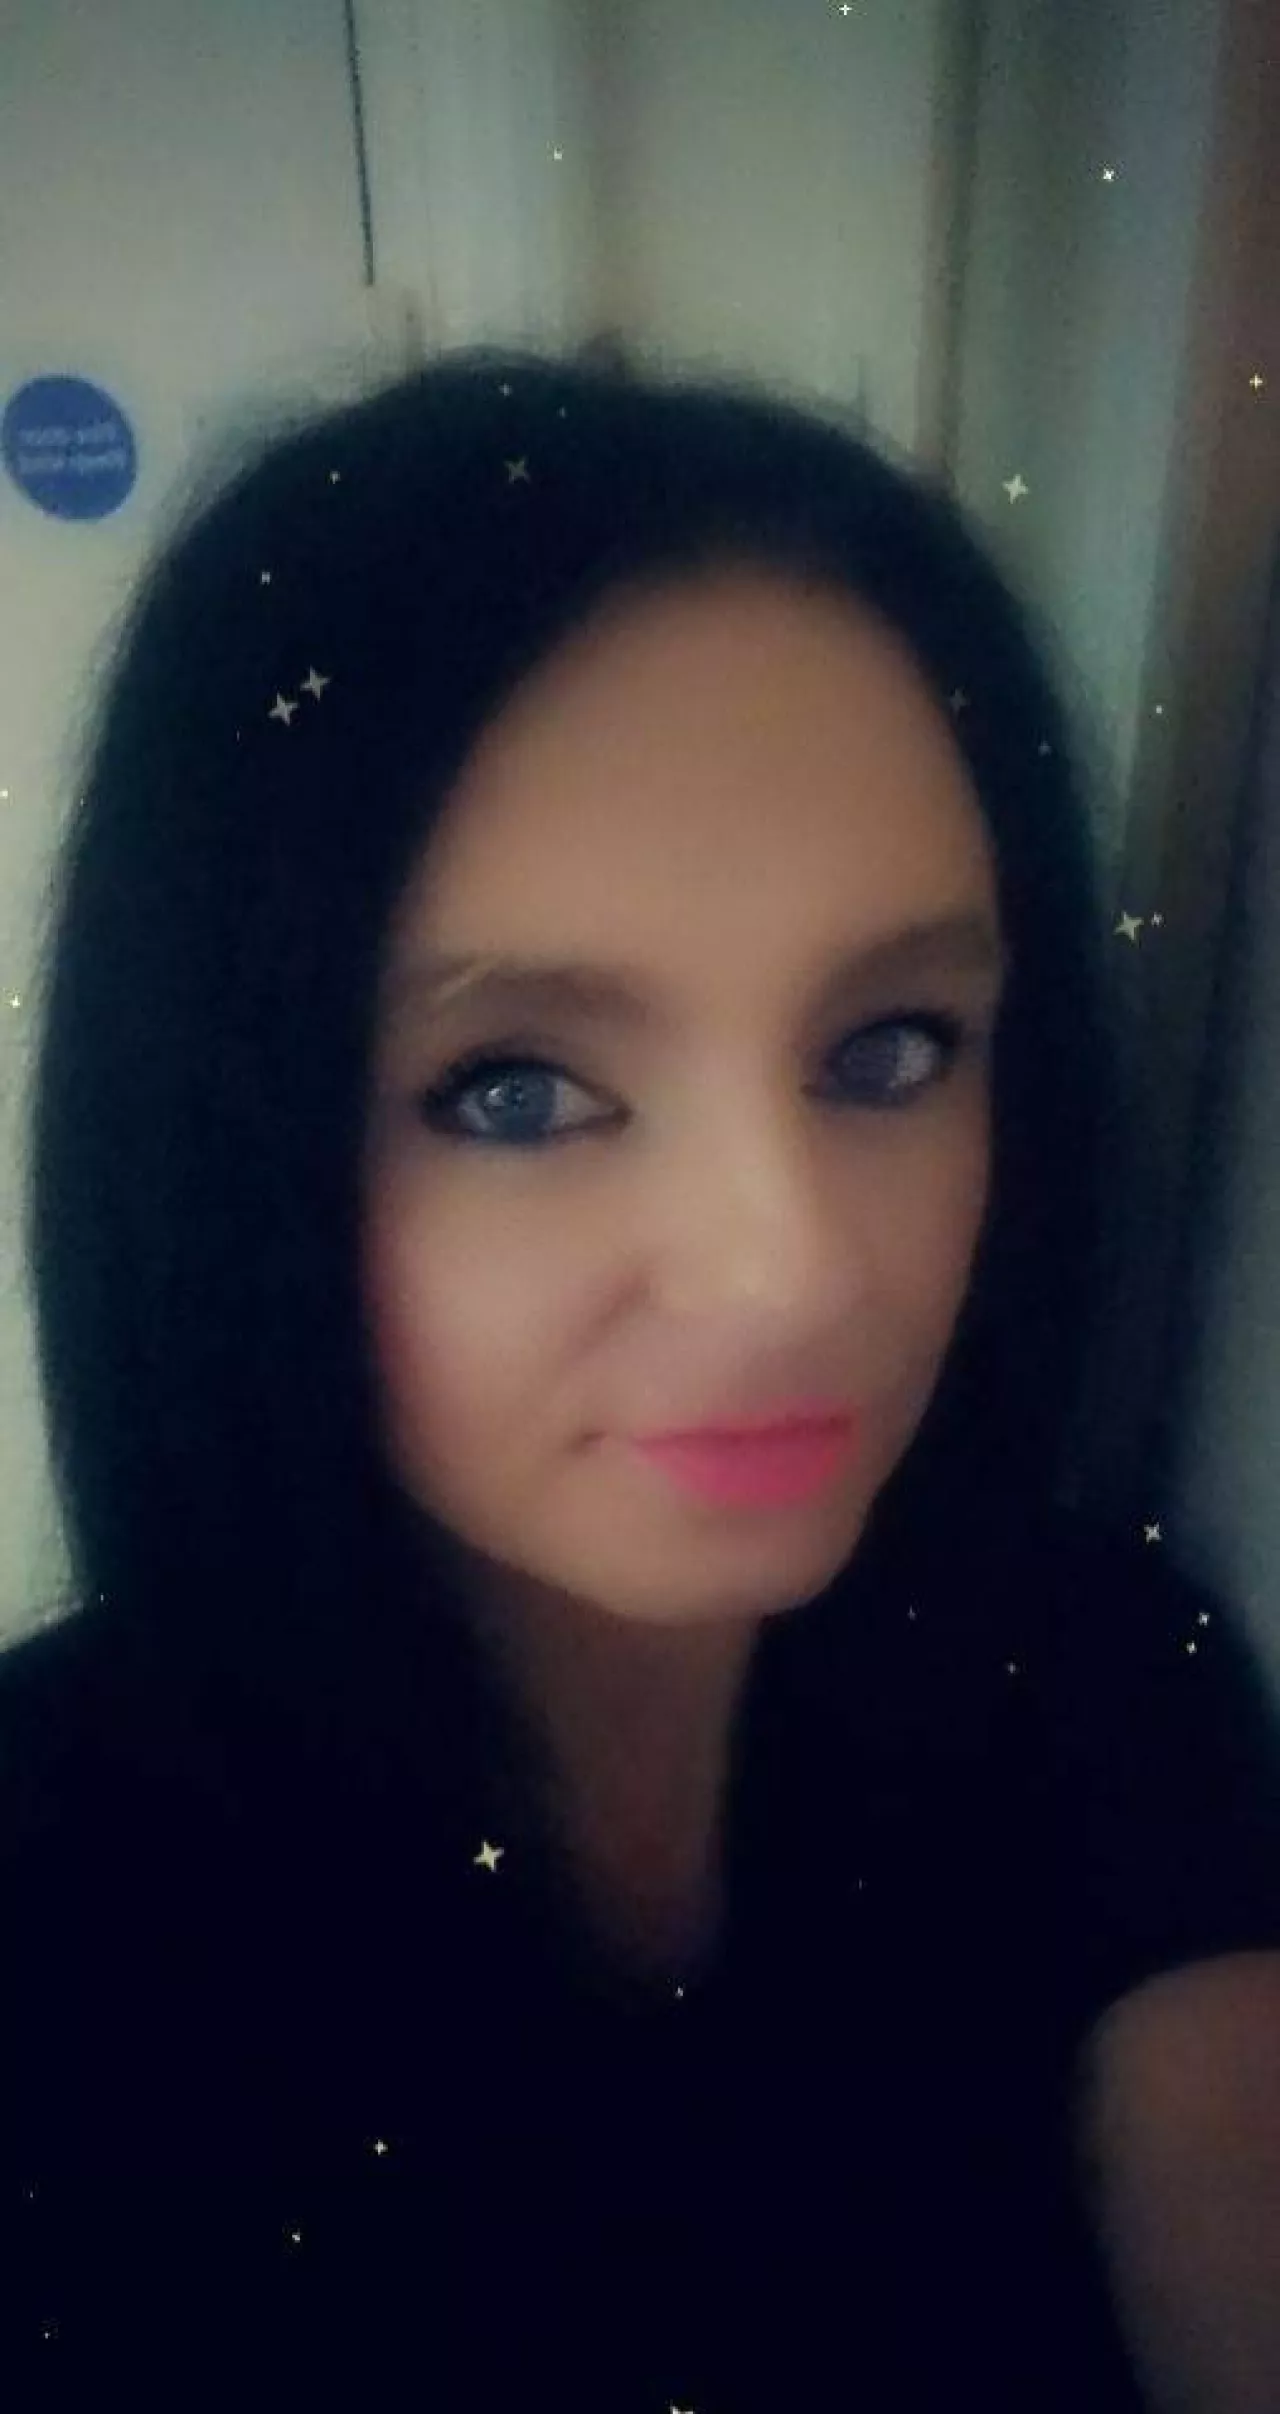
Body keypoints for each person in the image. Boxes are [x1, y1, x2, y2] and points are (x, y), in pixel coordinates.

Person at [3, 341, 1279, 2409]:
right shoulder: (54, 1920)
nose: (794, 1270)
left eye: (891, 1048)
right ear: (227, 1141)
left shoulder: (1096, 1675)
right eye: (513, 1088)